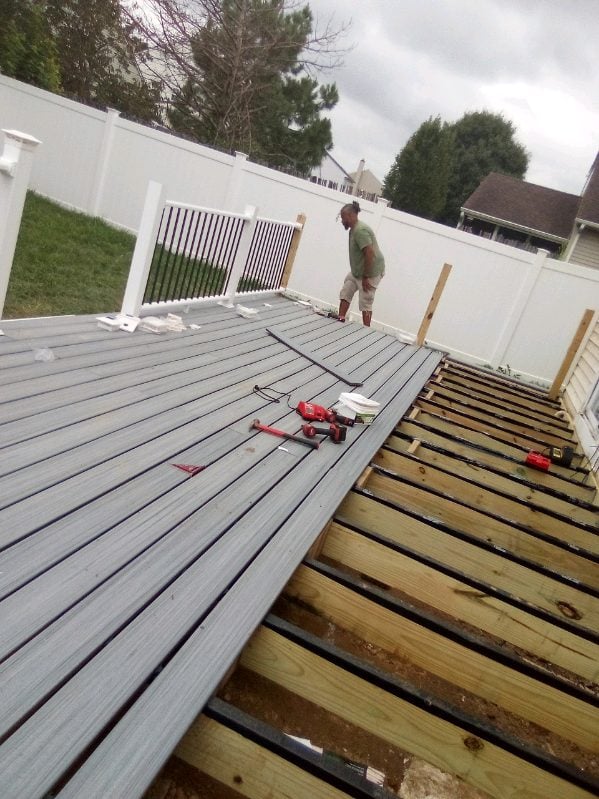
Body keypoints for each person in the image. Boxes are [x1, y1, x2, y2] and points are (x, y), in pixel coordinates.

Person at [337, 200, 385, 327]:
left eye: (343, 218)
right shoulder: (353, 230)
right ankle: (340, 319)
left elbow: (370, 253)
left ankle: (366, 330)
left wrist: (365, 277)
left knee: (365, 301)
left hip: (371, 272)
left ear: (350, 216)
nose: (342, 221)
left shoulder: (360, 231)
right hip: (357, 271)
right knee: (346, 290)